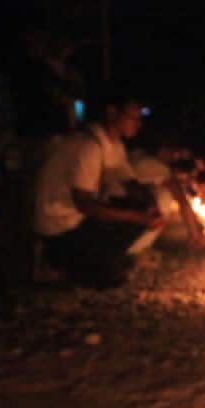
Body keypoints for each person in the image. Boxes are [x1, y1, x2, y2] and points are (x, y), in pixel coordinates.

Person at [32, 90, 163, 288]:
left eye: (139, 117)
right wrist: (136, 217)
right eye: (132, 117)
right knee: (107, 280)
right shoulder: (88, 146)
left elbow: (128, 181)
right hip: (60, 227)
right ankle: (55, 260)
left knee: (141, 207)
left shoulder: (112, 144)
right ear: (112, 113)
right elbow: (84, 204)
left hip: (78, 220)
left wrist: (150, 204)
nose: (138, 123)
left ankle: (97, 262)